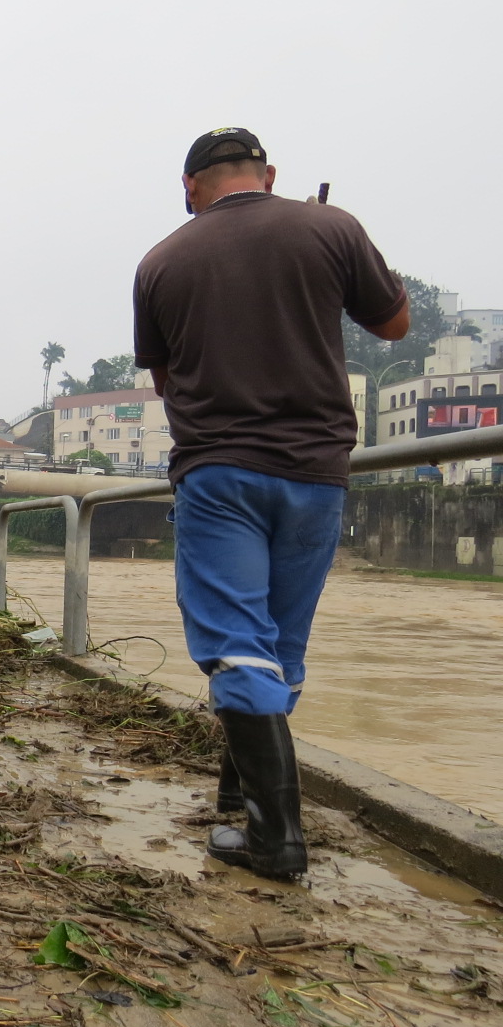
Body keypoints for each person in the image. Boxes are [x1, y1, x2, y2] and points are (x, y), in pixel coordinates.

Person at [133, 127, 409, 880]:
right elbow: (393, 324)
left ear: (189, 187)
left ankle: (275, 840)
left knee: (235, 641)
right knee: (280, 647)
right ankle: (240, 798)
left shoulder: (161, 260)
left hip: (221, 473)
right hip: (318, 473)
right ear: (269, 174)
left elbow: (164, 383)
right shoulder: (330, 227)